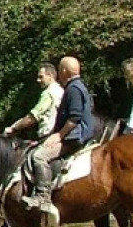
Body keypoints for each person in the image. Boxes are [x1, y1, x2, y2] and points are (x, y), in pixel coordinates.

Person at [22, 56, 94, 217]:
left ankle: (43, 197)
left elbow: (74, 118)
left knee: (39, 156)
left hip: (74, 136)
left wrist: (59, 136)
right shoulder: (79, 86)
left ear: (63, 71)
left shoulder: (73, 89)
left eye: (59, 70)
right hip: (79, 133)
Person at [4, 63, 63, 143]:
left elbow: (32, 118)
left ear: (50, 76)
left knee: (32, 156)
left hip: (47, 137)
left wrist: (13, 128)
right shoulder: (60, 90)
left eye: (41, 77)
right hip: (56, 134)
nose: (38, 80)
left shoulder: (48, 93)